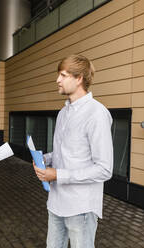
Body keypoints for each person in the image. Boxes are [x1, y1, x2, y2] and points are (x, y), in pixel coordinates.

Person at [33, 54, 113, 248]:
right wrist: (46, 158)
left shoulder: (97, 114)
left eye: (63, 75)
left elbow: (104, 169)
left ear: (79, 79)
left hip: (81, 207)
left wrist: (58, 175)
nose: (57, 80)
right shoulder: (63, 113)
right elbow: (67, 151)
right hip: (56, 203)